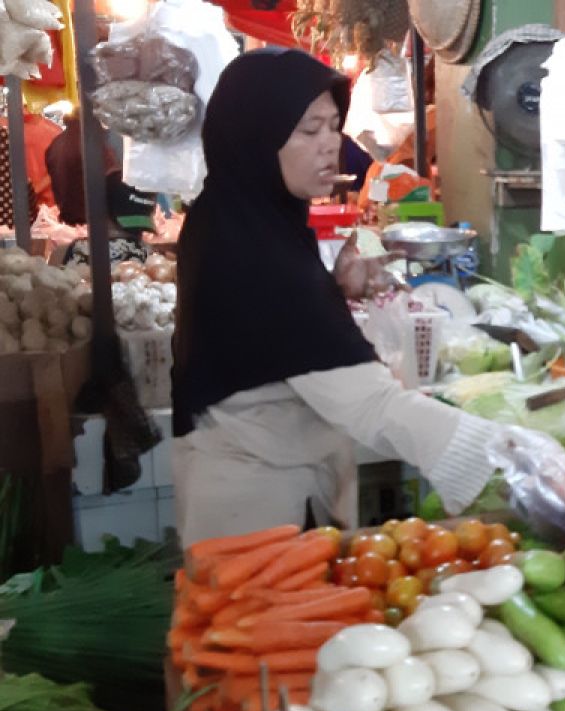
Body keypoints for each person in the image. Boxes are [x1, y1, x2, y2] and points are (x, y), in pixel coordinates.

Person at [171, 49, 507, 544]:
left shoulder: (238, 216)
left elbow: (273, 333)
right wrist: (508, 458)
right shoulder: (253, 251)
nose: (331, 145)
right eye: (310, 130)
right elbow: (372, 407)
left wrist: (330, 289)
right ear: (256, 136)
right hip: (255, 510)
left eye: (334, 126)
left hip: (270, 471)